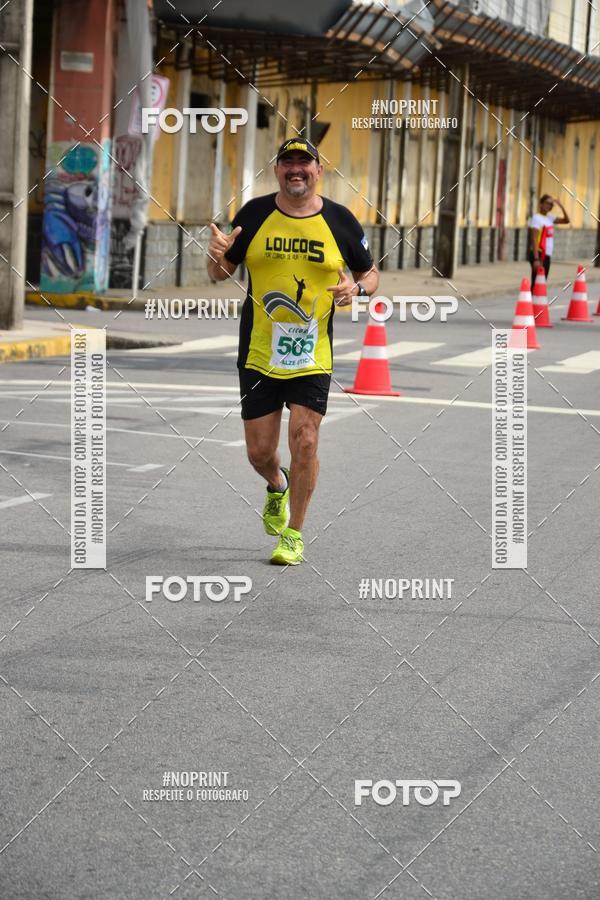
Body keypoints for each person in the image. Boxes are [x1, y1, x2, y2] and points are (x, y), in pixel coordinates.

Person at [207, 137, 379, 565]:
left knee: (305, 439)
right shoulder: (254, 213)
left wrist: (355, 289)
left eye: (305, 163)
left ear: (320, 170)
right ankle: (276, 485)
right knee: (259, 453)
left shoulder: (340, 220)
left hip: (312, 353)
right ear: (277, 170)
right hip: (259, 351)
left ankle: (294, 534)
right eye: (288, 163)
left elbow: (370, 272)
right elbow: (218, 273)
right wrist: (214, 256)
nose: (296, 170)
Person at [527, 194, 570, 287]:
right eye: (547, 203)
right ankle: (530, 300)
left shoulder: (549, 217)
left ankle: (535, 301)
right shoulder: (536, 218)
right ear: (541, 204)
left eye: (551, 204)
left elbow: (567, 220)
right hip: (539, 254)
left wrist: (561, 205)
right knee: (537, 282)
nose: (549, 206)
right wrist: (536, 259)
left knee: (541, 282)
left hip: (546, 255)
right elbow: (534, 239)